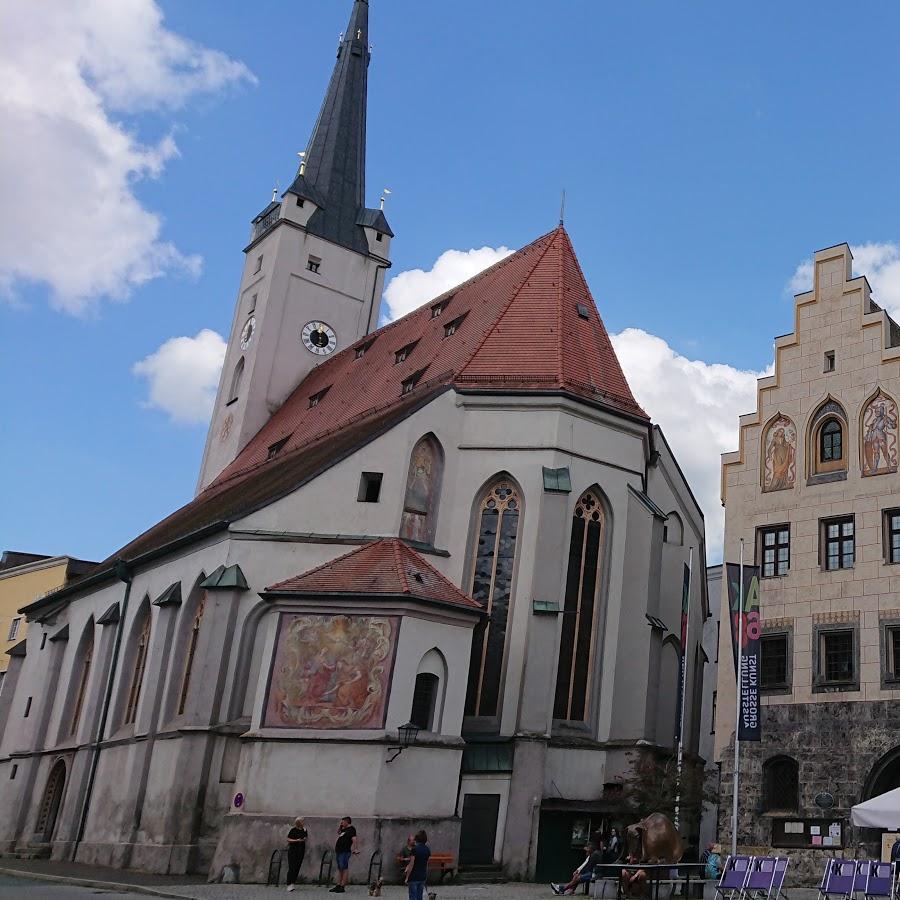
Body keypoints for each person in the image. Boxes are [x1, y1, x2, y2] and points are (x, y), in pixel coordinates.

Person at [330, 815, 358, 893]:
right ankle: (338, 884)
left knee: (344, 868)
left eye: (342, 822)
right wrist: (340, 827)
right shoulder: (344, 829)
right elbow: (338, 832)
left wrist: (355, 849)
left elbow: (354, 839)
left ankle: (342, 886)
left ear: (347, 822)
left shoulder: (351, 829)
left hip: (345, 851)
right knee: (340, 868)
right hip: (339, 851)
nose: (341, 823)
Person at [404, 829, 431, 900]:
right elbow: (426, 864)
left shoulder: (414, 849)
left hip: (414, 877)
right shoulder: (427, 850)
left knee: (413, 896)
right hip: (422, 876)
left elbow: (411, 864)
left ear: (417, 839)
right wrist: (425, 875)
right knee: (419, 897)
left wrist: (407, 877)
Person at [285, 817, 308, 892]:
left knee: (297, 867)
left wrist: (304, 839)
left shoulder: (304, 830)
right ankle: (289, 883)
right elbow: (288, 839)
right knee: (292, 867)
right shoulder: (293, 830)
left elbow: (305, 837)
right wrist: (296, 840)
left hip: (301, 851)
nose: (303, 822)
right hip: (293, 850)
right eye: (302, 821)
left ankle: (293, 883)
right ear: (298, 822)